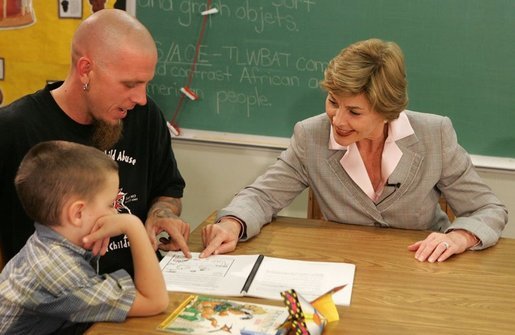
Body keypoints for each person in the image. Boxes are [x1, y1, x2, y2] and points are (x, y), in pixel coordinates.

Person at [200, 38, 508, 263]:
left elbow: (488, 209)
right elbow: (263, 196)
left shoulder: (434, 135)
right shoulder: (311, 135)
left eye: (355, 112)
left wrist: (459, 237)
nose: (337, 119)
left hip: (421, 268)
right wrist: (233, 223)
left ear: (387, 111)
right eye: (333, 102)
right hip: (342, 266)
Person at [0, 9, 190, 276]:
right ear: (86, 71)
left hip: (142, 289)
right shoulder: (14, 129)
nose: (141, 98)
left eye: (145, 83)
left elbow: (168, 191)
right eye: (130, 84)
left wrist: (162, 214)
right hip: (61, 305)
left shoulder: (144, 117)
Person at [0, 141, 169, 334]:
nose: (115, 212)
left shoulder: (48, 242)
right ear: (78, 213)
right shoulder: (59, 271)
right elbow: (155, 301)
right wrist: (134, 226)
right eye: (109, 204)